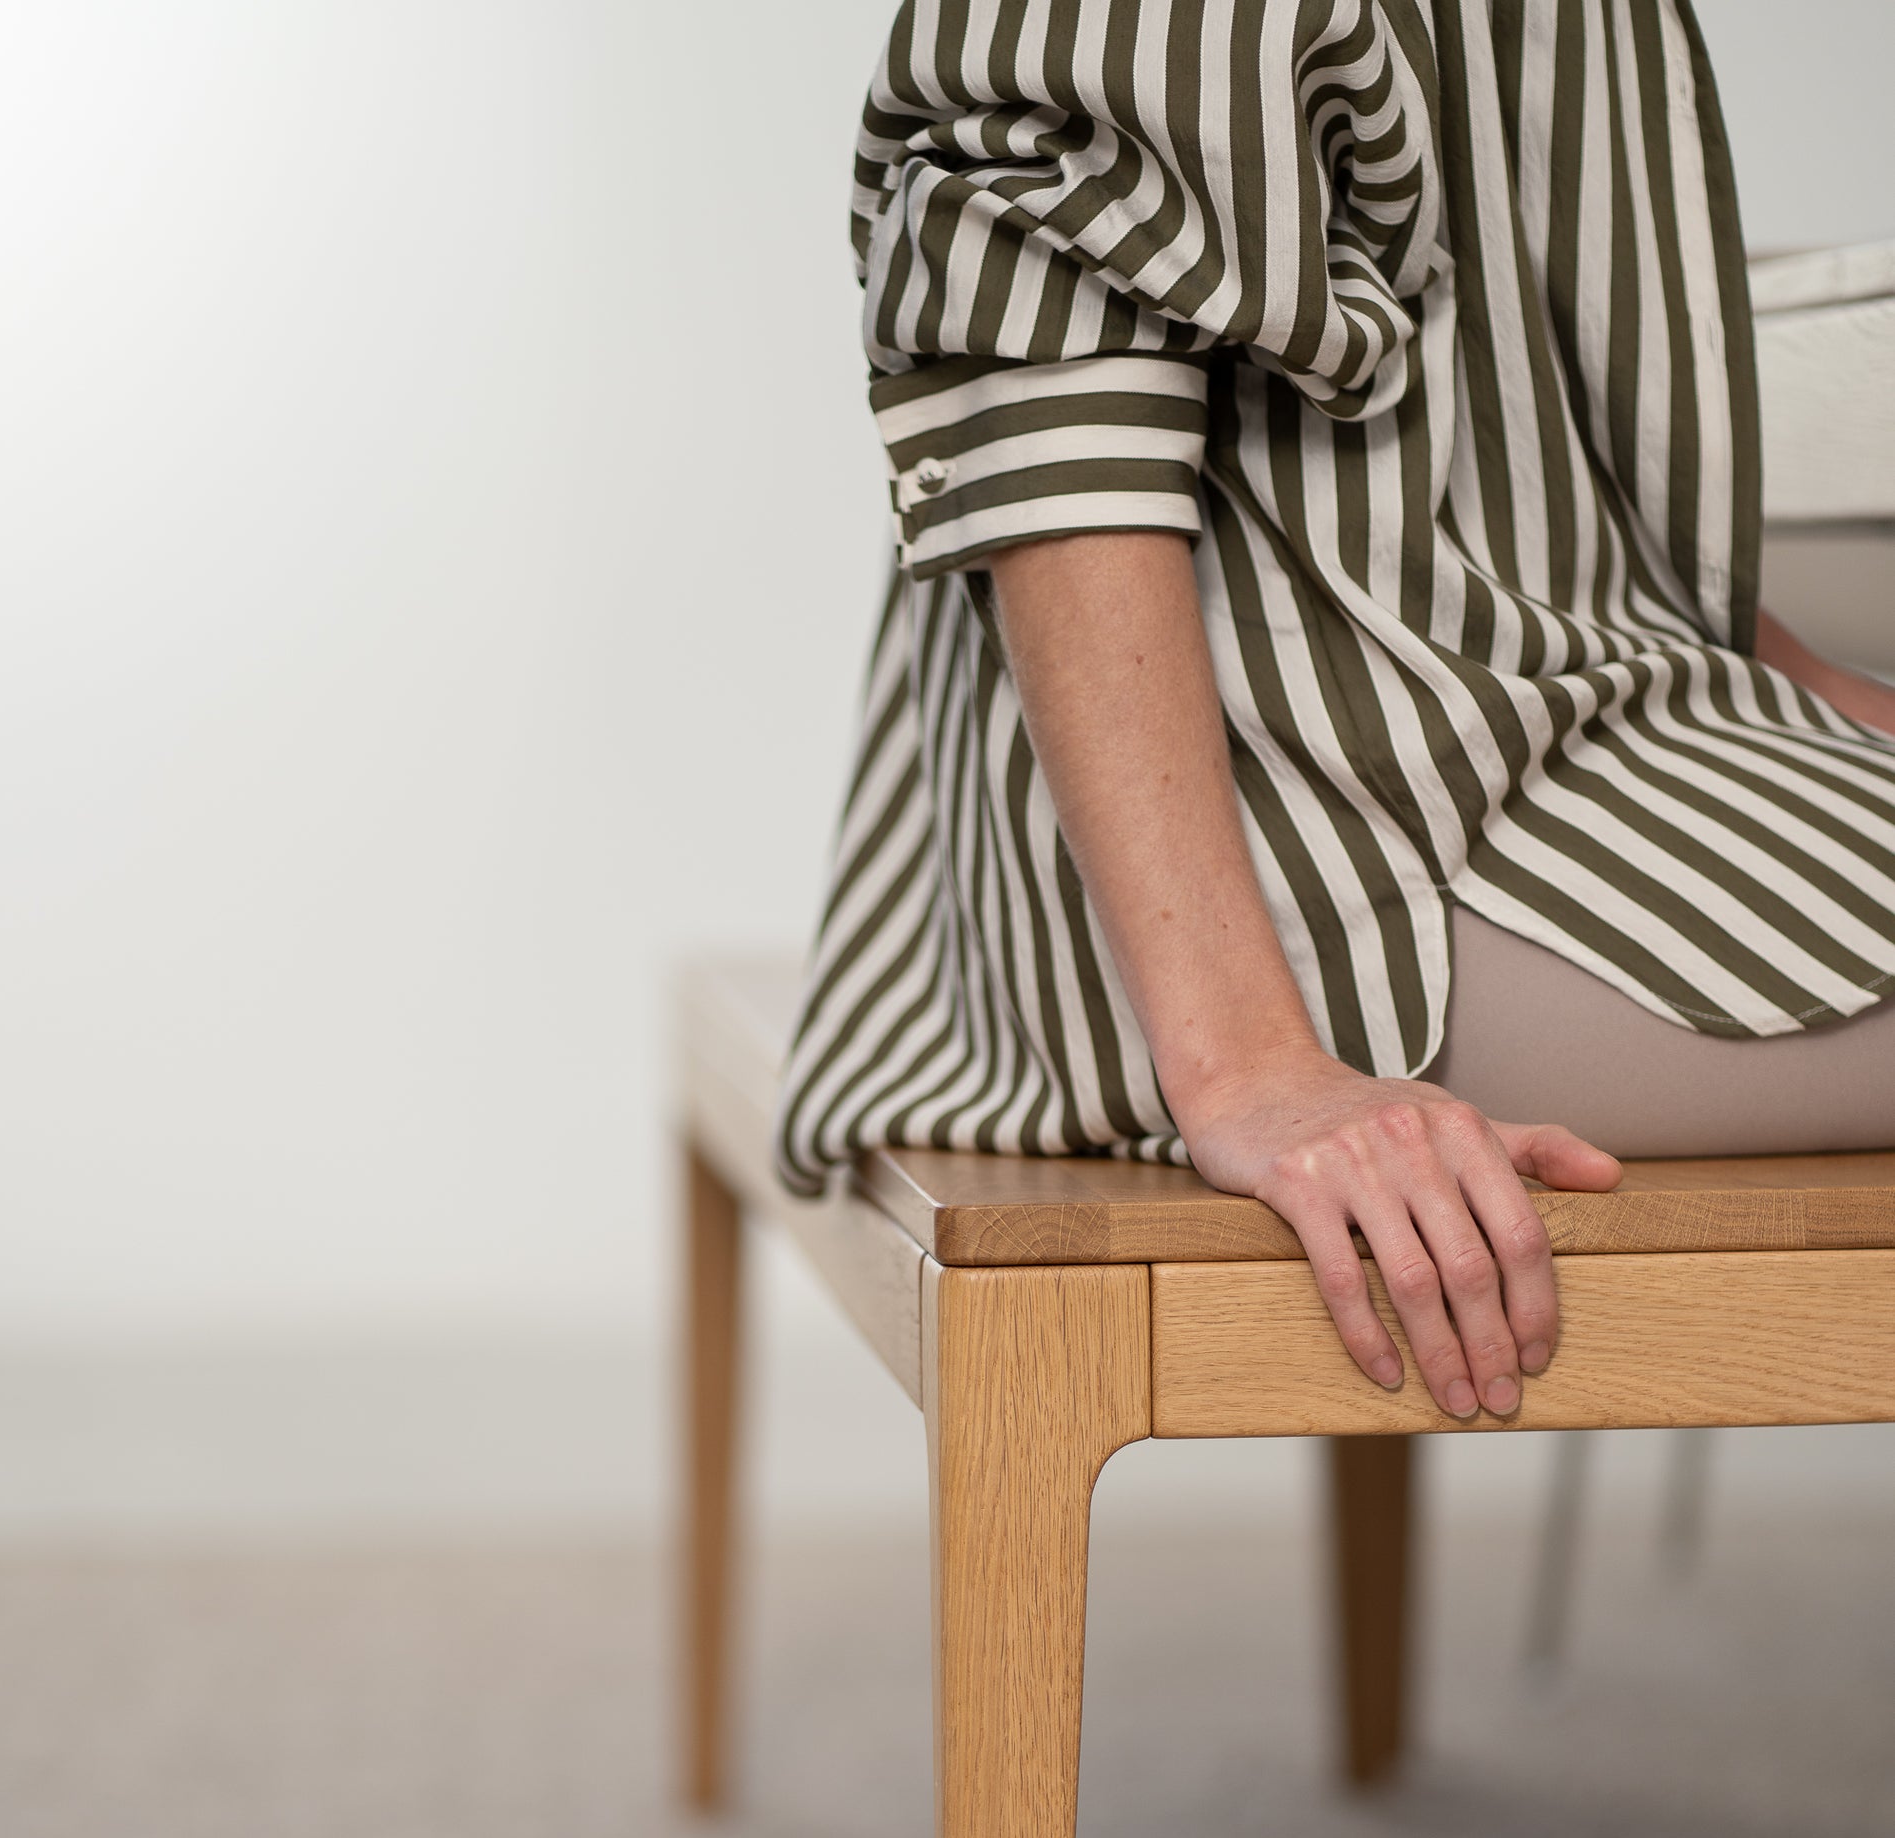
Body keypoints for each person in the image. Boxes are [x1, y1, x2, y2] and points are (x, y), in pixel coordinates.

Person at [777, 0, 1895, 1421]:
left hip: (1528, 726)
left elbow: (1529, 446)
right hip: (1327, 859)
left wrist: (1808, 691)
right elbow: (1045, 363)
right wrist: (1248, 1066)